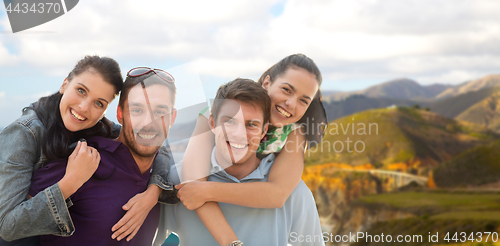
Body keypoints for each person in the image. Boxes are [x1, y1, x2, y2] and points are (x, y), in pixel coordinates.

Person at [0, 57, 176, 245]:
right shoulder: (26, 132)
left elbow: (154, 145)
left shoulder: (98, 127)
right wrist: (71, 181)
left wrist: (153, 192)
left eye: (99, 103)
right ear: (64, 84)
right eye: (81, 90)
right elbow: (7, 226)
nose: (84, 108)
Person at [172, 54, 326, 245]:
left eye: (303, 100)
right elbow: (192, 188)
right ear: (267, 82)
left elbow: (277, 195)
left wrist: (209, 190)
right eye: (286, 90)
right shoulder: (218, 112)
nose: (291, 104)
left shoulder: (294, 134)